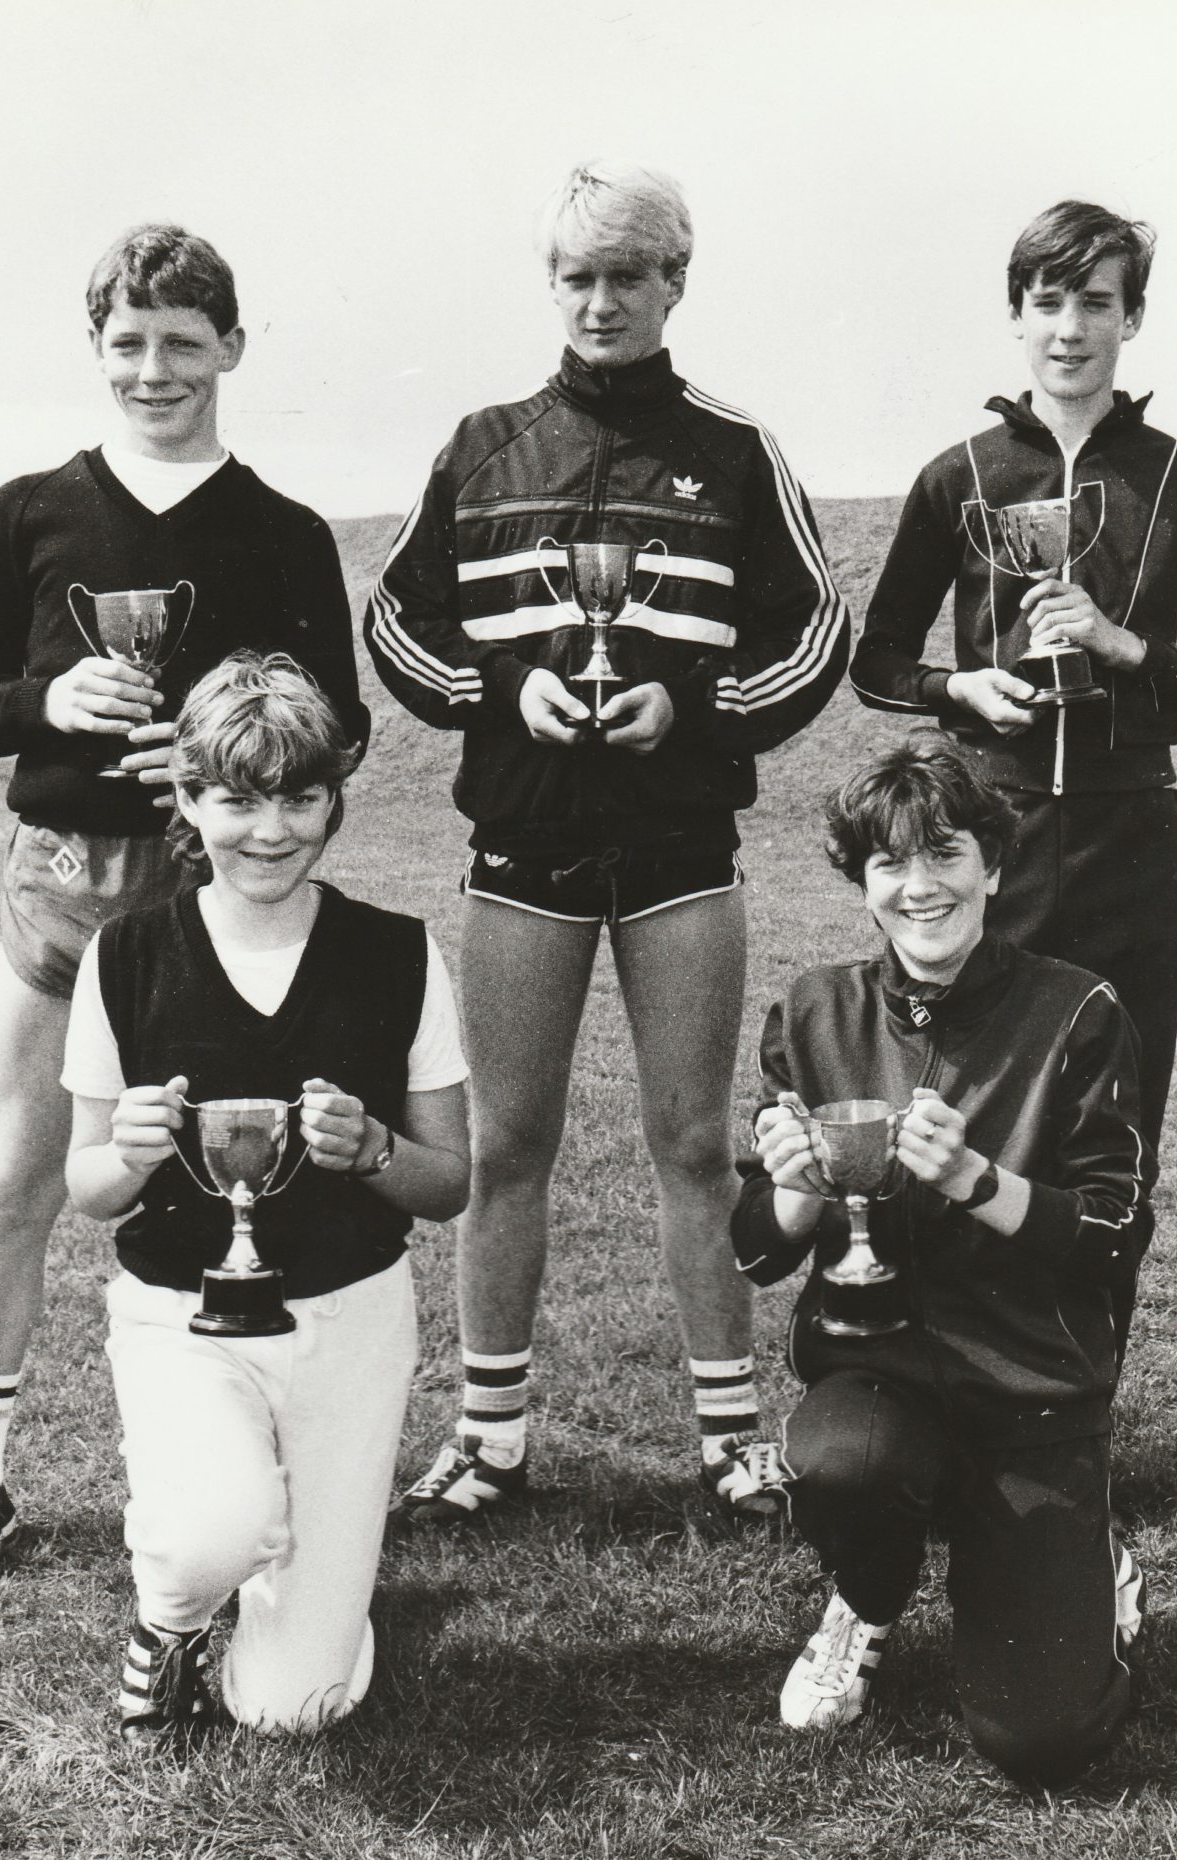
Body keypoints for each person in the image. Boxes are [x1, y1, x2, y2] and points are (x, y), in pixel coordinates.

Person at [365, 160, 850, 1527]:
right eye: (575, 277)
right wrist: (504, 683)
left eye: (625, 276)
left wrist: (690, 702)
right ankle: (491, 1438)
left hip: (683, 851)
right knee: (505, 1144)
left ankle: (731, 1438)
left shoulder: (737, 446)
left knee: (694, 1144)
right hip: (523, 852)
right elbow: (398, 624)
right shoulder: (483, 442)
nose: (598, 301)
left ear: (672, 283)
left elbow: (816, 633)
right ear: (553, 286)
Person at [0, 225, 370, 1592]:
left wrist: (235, 747)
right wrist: (45, 702)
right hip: (62, 882)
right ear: (95, 348)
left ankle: (262, 1474)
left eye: (182, 342)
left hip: (225, 895)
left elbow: (340, 721)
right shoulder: (32, 510)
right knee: (20, 1175)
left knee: (239, 1174)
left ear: (231, 346)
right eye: (128, 343)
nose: (153, 369)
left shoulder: (281, 530)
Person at [733, 739, 1154, 1786]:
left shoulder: (1077, 1011)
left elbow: (1114, 1235)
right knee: (841, 1461)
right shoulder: (816, 1010)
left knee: (1042, 1741)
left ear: (993, 867)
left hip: (1031, 1396)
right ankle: (865, 1600)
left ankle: (1083, 1559)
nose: (920, 886)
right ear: (861, 882)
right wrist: (791, 1186)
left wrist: (977, 1181)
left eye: (946, 853)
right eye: (889, 863)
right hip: (878, 1375)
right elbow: (752, 1248)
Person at [63, 653, 468, 1743]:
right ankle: (175, 1614)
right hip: (181, 1318)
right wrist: (134, 1150)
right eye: (237, 799)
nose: (272, 829)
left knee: (295, 1707)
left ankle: (316, 1589)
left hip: (349, 1317)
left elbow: (451, 1182)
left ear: (335, 796)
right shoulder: (126, 956)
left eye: (301, 796)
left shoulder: (400, 952)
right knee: (205, 1537)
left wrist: (377, 1147)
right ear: (189, 799)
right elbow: (87, 1186)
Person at [849, 201, 1177, 1177]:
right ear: (1016, 315)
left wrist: (1127, 648)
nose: (1071, 328)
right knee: (965, 1120)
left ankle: (1095, 1330)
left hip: (1131, 839)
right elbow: (876, 662)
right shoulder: (959, 476)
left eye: (1096, 302)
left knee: (1113, 1133)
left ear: (1131, 319)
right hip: (988, 832)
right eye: (1049, 302)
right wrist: (963, 692)